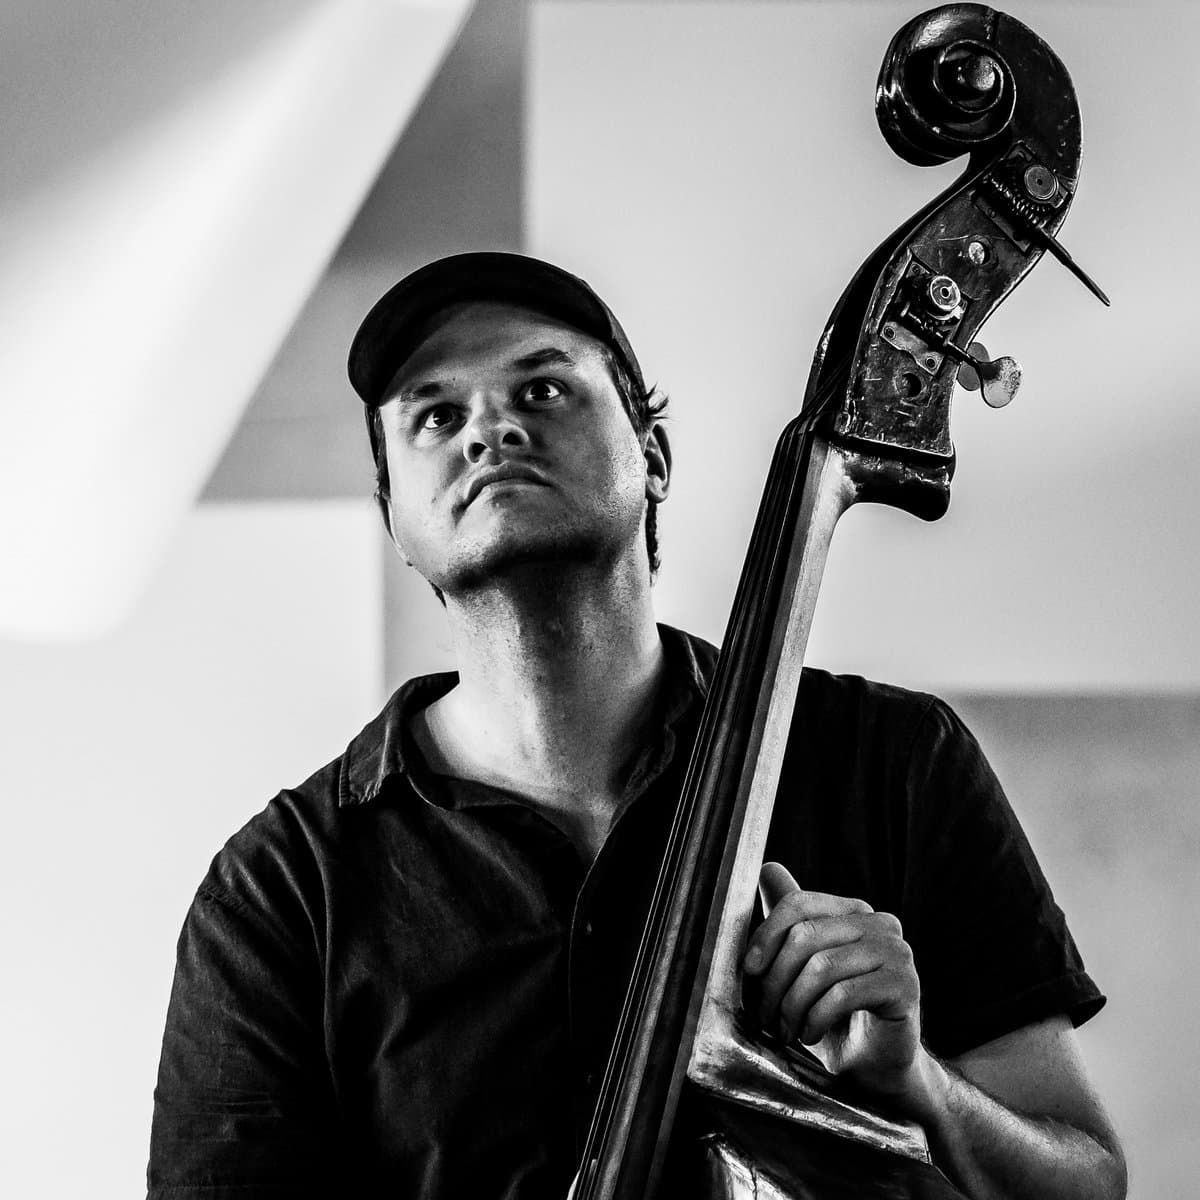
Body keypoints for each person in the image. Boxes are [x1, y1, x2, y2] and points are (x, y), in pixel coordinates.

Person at [148, 253, 1127, 1199]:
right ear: (396, 520)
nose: (489, 431)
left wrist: (914, 1084)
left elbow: (1087, 1184)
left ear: (652, 458)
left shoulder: (893, 760)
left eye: (543, 391)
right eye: (436, 416)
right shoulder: (280, 895)